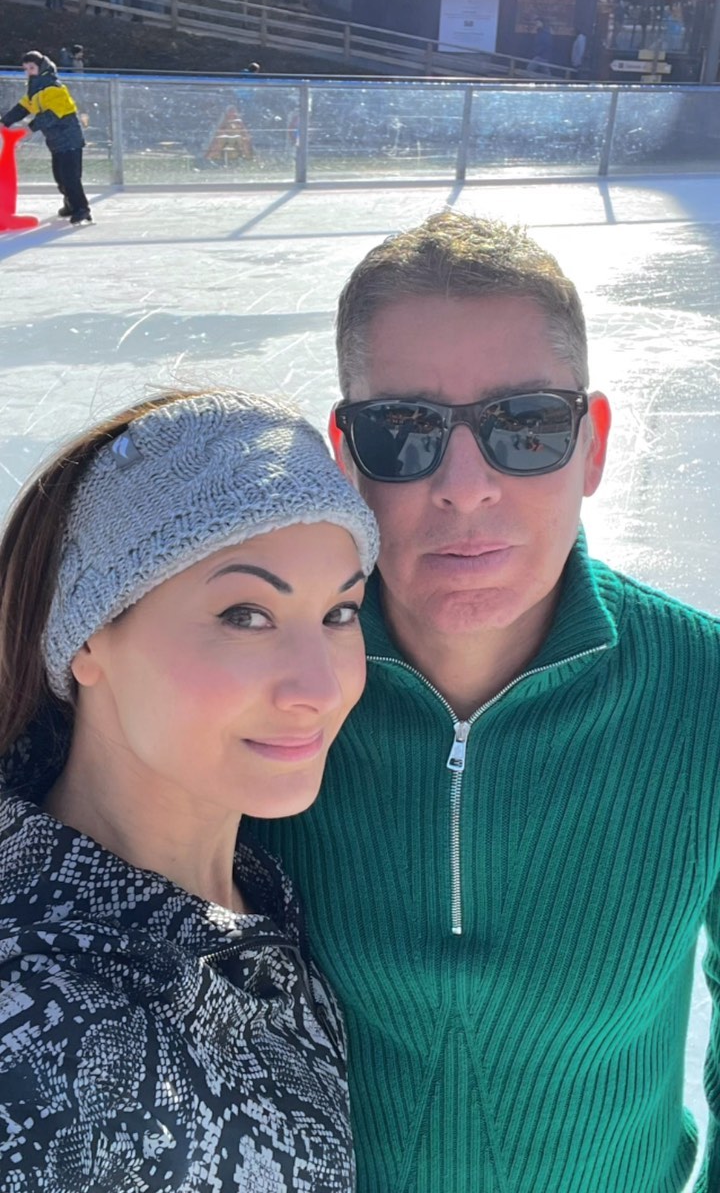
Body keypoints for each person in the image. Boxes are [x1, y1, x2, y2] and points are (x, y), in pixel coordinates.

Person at [247, 210, 720, 1193]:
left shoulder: (705, 690)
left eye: (526, 425)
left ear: (592, 444)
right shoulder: (262, 694)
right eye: (403, 431)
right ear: (346, 456)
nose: (465, 487)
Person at [0, 388, 379, 1192]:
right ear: (89, 634)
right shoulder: (31, 1028)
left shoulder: (256, 894)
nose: (319, 686)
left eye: (341, 613)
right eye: (246, 614)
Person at [0, 51, 92, 225]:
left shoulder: (54, 87)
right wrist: (5, 122)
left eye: (32, 68)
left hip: (70, 139)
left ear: (41, 67)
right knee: (60, 177)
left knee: (70, 177)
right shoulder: (35, 90)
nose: (28, 72)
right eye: (25, 69)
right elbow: (22, 108)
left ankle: (81, 208)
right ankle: (70, 204)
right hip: (56, 141)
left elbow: (52, 116)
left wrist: (29, 128)